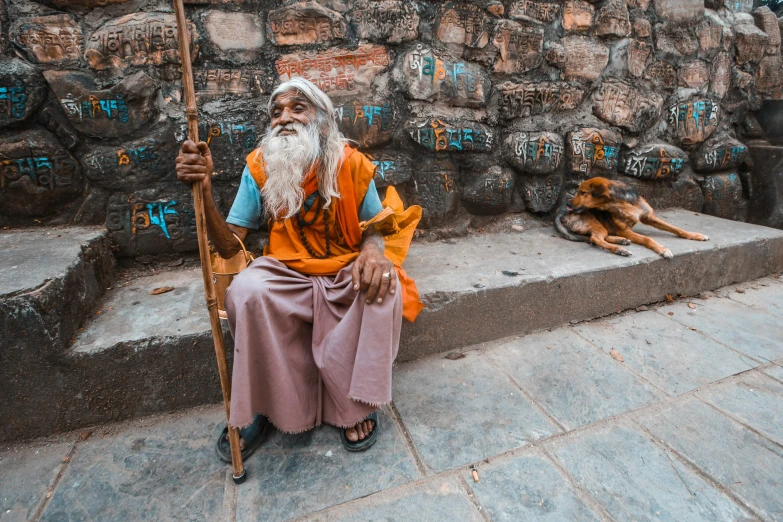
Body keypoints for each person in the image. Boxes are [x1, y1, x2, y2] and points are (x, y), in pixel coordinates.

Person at [175, 78, 422, 459]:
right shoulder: (259, 167)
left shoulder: (351, 163)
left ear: (322, 120)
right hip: (285, 273)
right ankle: (261, 406)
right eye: (276, 112)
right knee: (245, 291)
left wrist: (373, 254)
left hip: (343, 272)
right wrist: (204, 189)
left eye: (297, 108)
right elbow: (229, 245)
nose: (284, 119)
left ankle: (353, 406)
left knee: (385, 287)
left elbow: (376, 228)